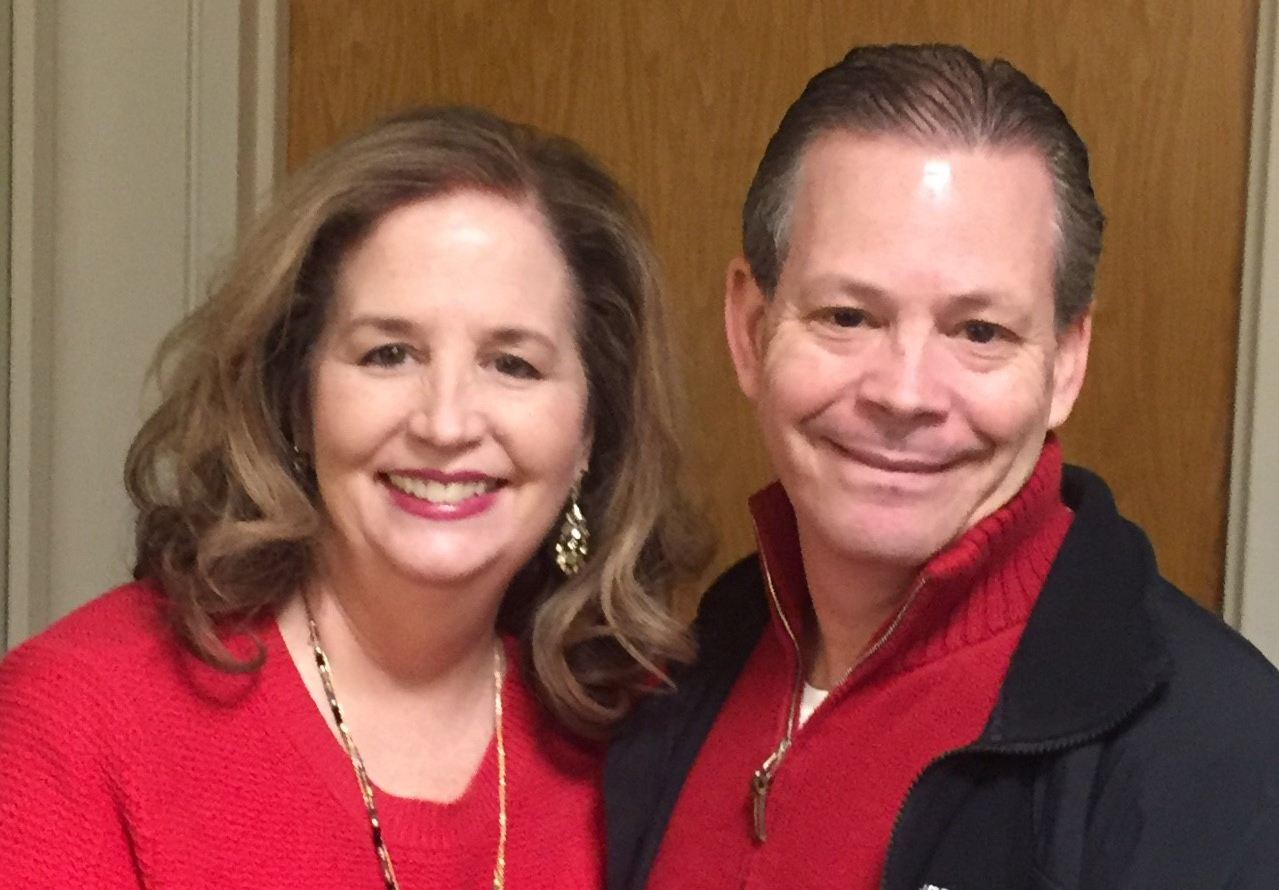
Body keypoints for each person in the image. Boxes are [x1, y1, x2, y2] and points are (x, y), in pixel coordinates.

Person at [605, 43, 1279, 890]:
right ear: (749, 328)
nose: (904, 393)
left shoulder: (1221, 754)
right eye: (847, 315)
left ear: (1065, 363)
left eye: (978, 332)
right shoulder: (684, 670)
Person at [0, 106, 708, 888]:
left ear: (587, 433)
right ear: (296, 396)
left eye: (512, 364)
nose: (445, 422)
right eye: (388, 354)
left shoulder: (656, 739)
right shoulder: (81, 716)